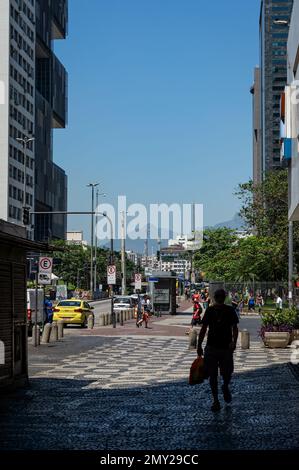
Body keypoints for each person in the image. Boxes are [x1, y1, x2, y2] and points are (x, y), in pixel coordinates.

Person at [197, 288, 239, 412]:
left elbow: (234, 328)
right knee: (217, 375)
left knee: (221, 374)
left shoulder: (229, 310)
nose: (220, 298)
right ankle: (216, 398)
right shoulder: (212, 310)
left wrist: (199, 345)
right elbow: (204, 328)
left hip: (220, 347)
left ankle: (221, 392)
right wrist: (234, 342)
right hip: (216, 347)